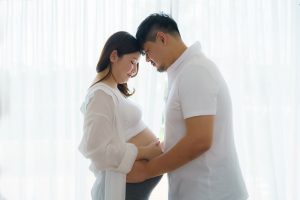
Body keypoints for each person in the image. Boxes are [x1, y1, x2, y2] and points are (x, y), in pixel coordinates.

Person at [127, 13, 249, 200]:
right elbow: (183, 134)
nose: (147, 60)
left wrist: (146, 171)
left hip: (211, 193)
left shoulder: (195, 71)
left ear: (162, 38)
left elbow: (199, 140)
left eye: (147, 51)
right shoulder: (183, 72)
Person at [78, 31, 163, 200]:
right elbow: (96, 151)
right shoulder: (100, 95)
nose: (134, 71)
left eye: (137, 64)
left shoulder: (112, 91)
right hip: (124, 188)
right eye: (132, 62)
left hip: (132, 187)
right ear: (114, 56)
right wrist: (144, 152)